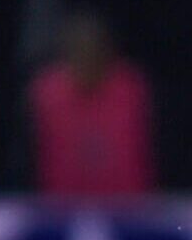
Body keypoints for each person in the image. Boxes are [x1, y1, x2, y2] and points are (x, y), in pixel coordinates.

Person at [26, 11, 156, 201]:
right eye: (79, 50)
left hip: (128, 211)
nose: (86, 58)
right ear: (66, 53)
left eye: (93, 51)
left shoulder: (131, 89)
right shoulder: (46, 93)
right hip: (59, 210)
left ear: (107, 52)